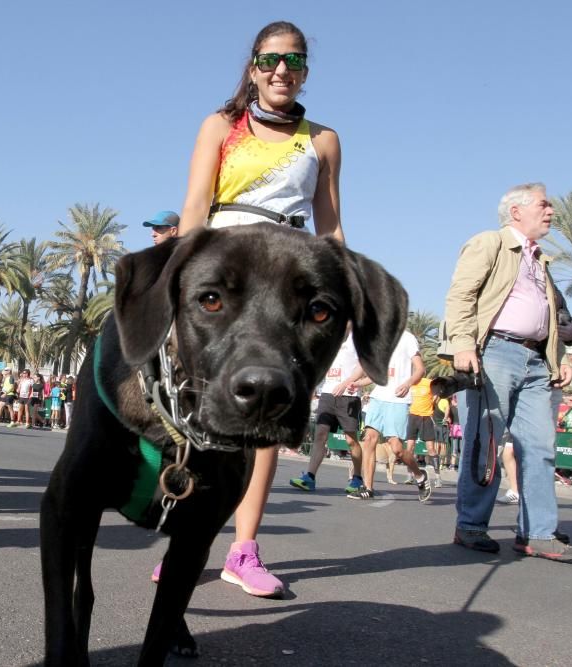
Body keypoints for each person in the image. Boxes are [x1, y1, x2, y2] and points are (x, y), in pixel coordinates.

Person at [174, 20, 344, 598]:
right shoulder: (221, 126)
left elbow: (331, 228)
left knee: (272, 410)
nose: (281, 72)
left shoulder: (322, 140)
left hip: (286, 286)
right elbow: (195, 207)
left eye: (294, 63)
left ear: (305, 72)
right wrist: (181, 286)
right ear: (253, 67)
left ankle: (243, 549)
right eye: (271, 61)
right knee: (203, 407)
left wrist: (340, 301)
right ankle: (189, 539)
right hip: (225, 275)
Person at [442, 182, 572, 560]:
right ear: (516, 211)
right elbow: (461, 295)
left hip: (537, 360)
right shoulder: (491, 242)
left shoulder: (541, 260)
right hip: (494, 353)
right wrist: (463, 344)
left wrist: (560, 360)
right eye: (544, 203)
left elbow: (550, 317)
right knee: (485, 442)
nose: (551, 210)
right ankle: (470, 526)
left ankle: (537, 533)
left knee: (540, 447)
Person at [348, 331, 432, 502]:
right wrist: (357, 383)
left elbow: (420, 369)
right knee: (370, 439)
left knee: (397, 449)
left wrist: (408, 384)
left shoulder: (407, 338)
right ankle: (368, 488)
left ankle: (420, 475)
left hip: (398, 400)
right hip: (378, 397)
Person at [289, 330, 365, 493]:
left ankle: (357, 478)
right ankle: (310, 477)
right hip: (327, 394)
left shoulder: (356, 339)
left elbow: (362, 367)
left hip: (348, 396)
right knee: (320, 434)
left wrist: (347, 383)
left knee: (351, 440)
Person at [407, 375, 442, 486]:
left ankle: (438, 477)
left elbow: (437, 395)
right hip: (413, 416)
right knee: (409, 448)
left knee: (430, 448)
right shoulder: (410, 382)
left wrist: (432, 402)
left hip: (426, 417)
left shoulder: (429, 383)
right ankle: (410, 475)